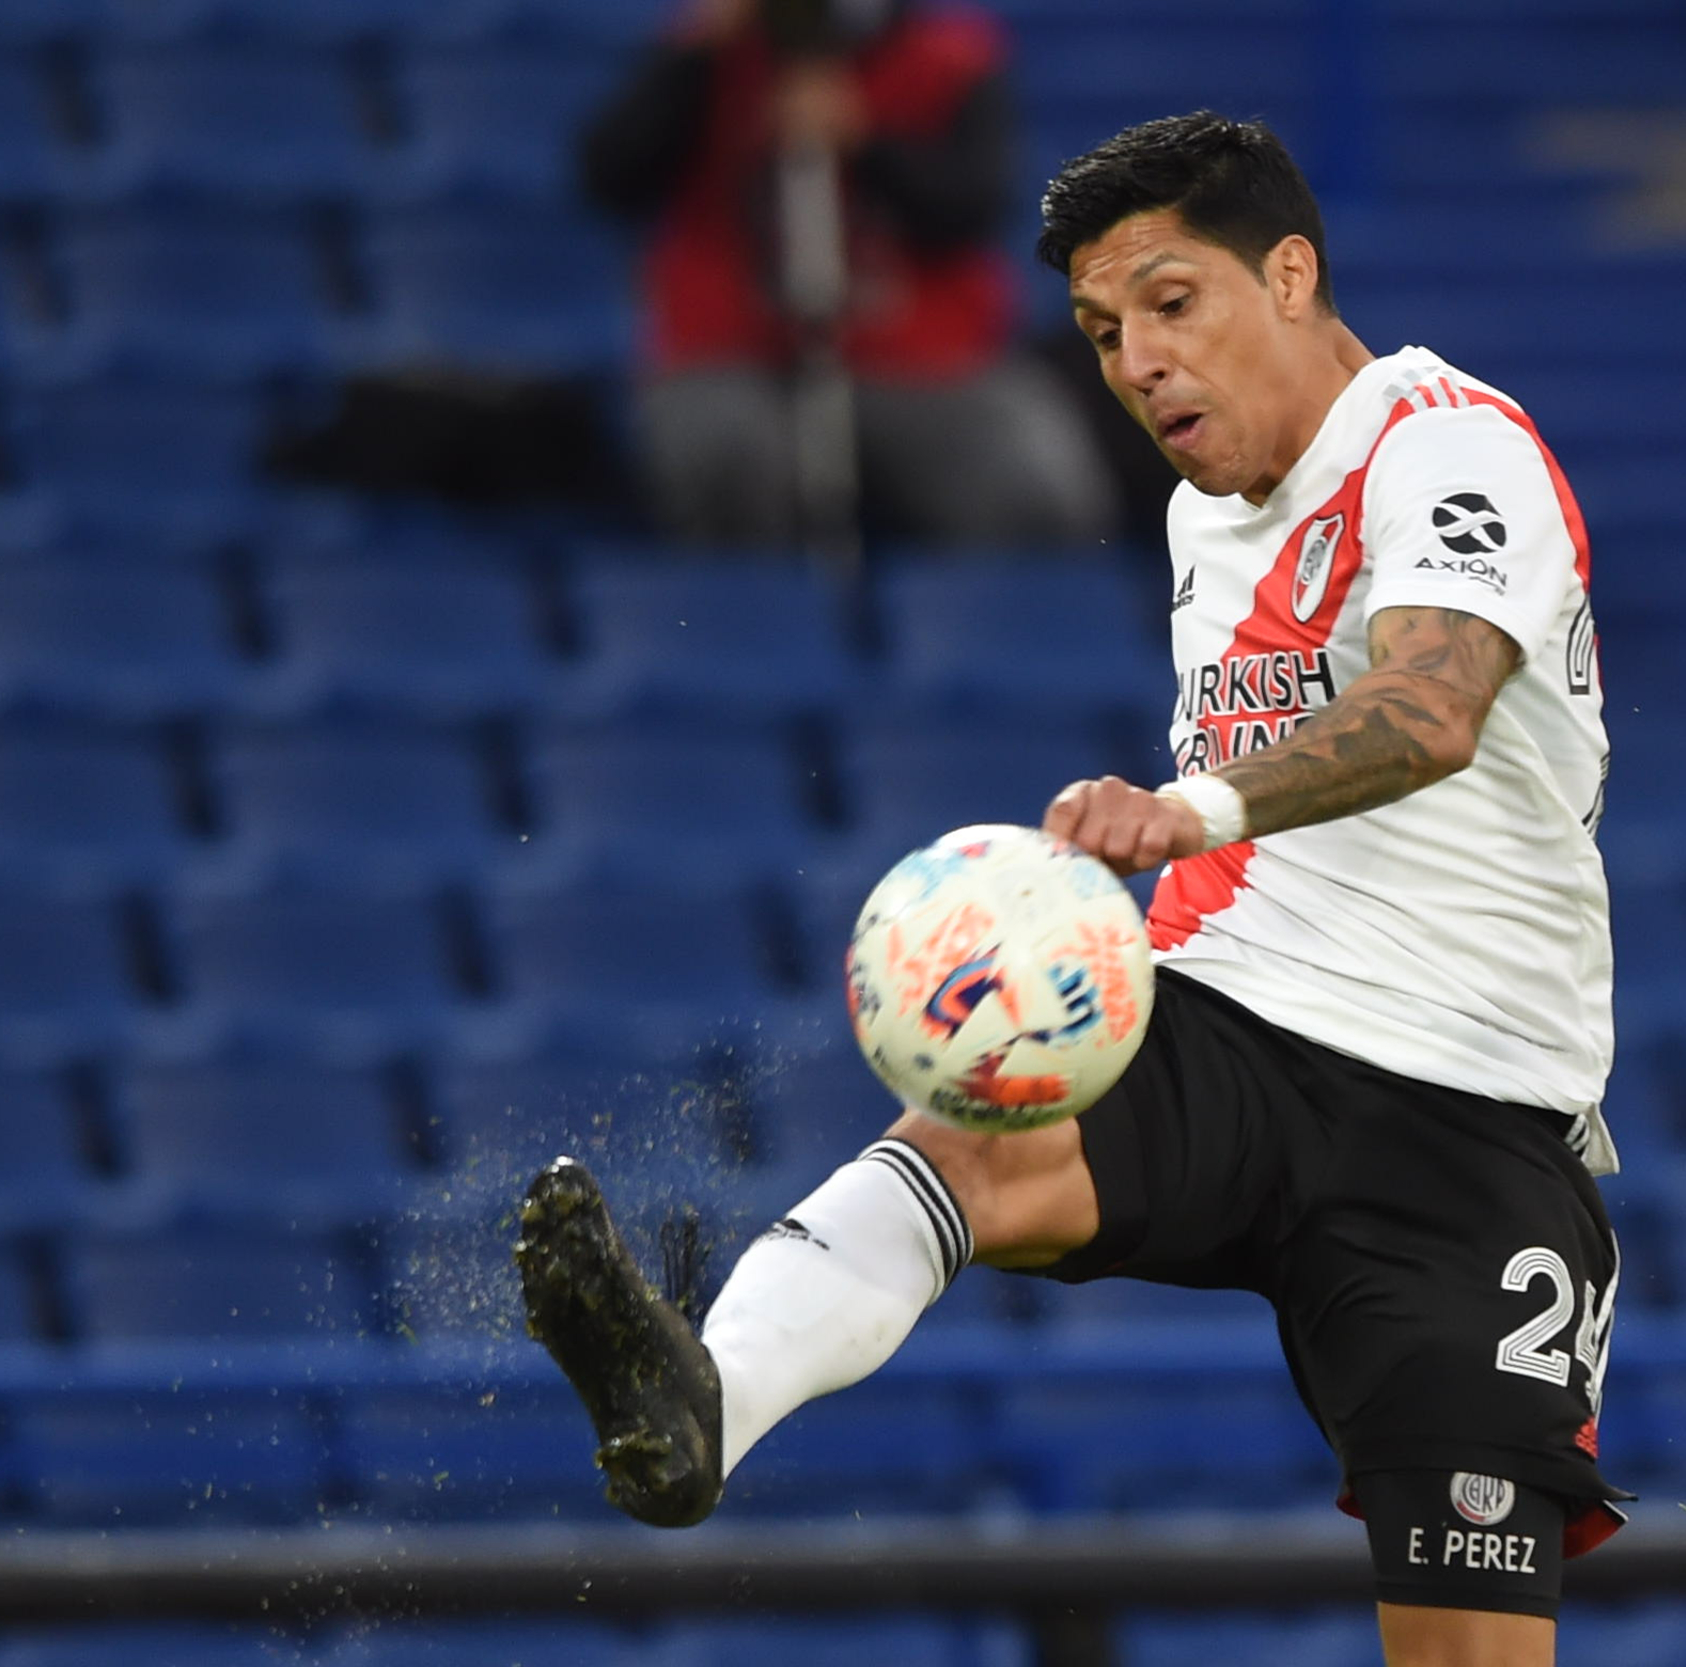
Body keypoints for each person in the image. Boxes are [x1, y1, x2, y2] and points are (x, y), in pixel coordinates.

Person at [519, 112, 1622, 1666]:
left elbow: (1430, 706)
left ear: (1290, 274)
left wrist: (1191, 807)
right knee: (978, 1127)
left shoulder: (1446, 443)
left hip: (1471, 1110)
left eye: (1172, 303)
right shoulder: (1201, 514)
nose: (1138, 362)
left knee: (1465, 1653)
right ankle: (709, 1396)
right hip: (1237, 1018)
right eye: (1104, 332)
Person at [576, 0, 1113, 549]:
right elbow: (610, 177)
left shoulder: (952, 55)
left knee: (1034, 487)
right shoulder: (707, 53)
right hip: (729, 352)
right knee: (726, 458)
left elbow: (970, 211)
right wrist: (690, 56)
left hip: (926, 359)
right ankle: (755, 601)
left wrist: (862, 142)